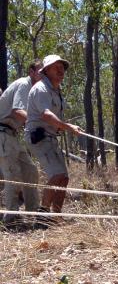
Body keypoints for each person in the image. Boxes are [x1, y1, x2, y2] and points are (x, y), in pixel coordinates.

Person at [25, 54, 82, 216]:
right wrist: (67, 127)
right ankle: (42, 216)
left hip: (50, 138)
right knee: (56, 174)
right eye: (56, 67)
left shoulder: (56, 91)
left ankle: (56, 215)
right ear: (46, 70)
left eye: (62, 67)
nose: (61, 70)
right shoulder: (40, 88)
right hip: (39, 138)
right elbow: (46, 115)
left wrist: (63, 127)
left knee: (64, 178)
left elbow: (54, 119)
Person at [0, 59, 44, 229]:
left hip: (13, 135)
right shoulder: (24, 84)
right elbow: (17, 111)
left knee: (31, 171)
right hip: (3, 134)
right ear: (32, 72)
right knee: (13, 175)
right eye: (40, 71)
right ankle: (11, 219)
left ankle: (35, 215)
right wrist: (38, 125)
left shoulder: (35, 91)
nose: (43, 75)